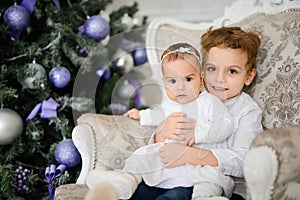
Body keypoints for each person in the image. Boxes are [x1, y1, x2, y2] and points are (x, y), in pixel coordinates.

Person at [85, 43, 235, 200]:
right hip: (169, 163)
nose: (180, 87)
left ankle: (204, 197)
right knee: (142, 156)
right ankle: (126, 179)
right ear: (164, 82)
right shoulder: (171, 104)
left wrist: (198, 133)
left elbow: (226, 124)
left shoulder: (208, 102)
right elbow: (157, 114)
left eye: (188, 79)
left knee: (205, 184)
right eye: (172, 81)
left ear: (201, 78)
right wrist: (141, 115)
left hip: (199, 163)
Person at [134, 26, 263, 200]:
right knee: (140, 192)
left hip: (213, 184)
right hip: (173, 175)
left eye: (232, 71)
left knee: (174, 197)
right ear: (201, 73)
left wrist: (192, 155)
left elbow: (244, 160)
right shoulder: (190, 96)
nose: (220, 78)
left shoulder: (247, 110)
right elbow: (163, 118)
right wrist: (160, 135)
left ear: (248, 76)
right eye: (212, 69)